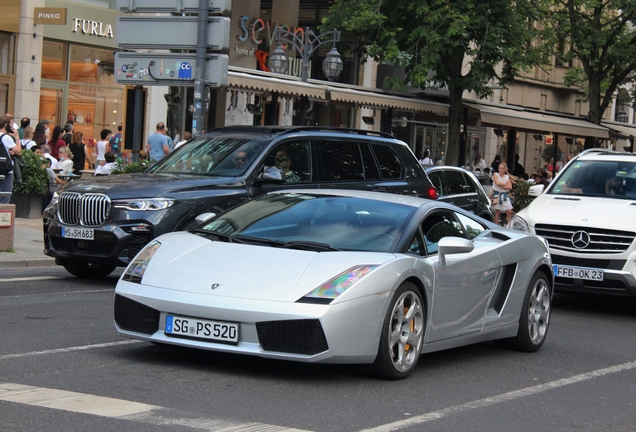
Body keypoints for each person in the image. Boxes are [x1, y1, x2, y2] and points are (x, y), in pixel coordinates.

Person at [0, 114, 22, 203]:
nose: (13, 128)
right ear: (6, 125)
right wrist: (17, 137)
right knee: (4, 198)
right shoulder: (6, 137)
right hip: (6, 171)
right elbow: (19, 151)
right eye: (11, 125)